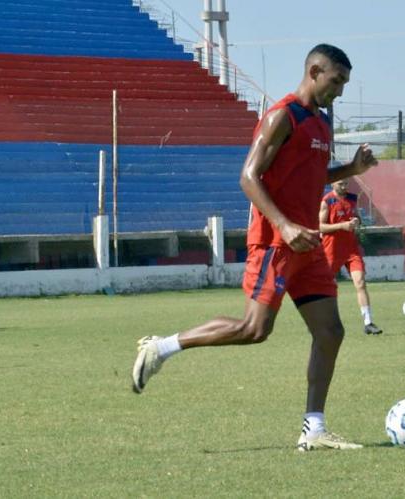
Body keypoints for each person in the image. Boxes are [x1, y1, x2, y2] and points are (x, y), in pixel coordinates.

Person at [131, 44, 377, 451]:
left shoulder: (321, 123)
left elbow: (308, 177)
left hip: (307, 245)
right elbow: (248, 176)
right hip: (276, 242)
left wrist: (351, 169)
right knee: (254, 329)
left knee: (330, 331)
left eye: (345, 83)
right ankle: (162, 347)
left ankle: (313, 428)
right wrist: (283, 224)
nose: (341, 91)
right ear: (314, 70)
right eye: (337, 81)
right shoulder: (283, 116)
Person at [319, 179, 382, 335]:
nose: (344, 186)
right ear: (332, 184)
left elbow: (357, 217)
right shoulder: (326, 201)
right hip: (331, 250)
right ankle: (320, 322)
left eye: (346, 183)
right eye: (341, 184)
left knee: (360, 283)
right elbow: (319, 227)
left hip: (351, 250)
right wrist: (341, 225)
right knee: (325, 288)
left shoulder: (353, 198)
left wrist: (356, 221)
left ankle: (368, 323)